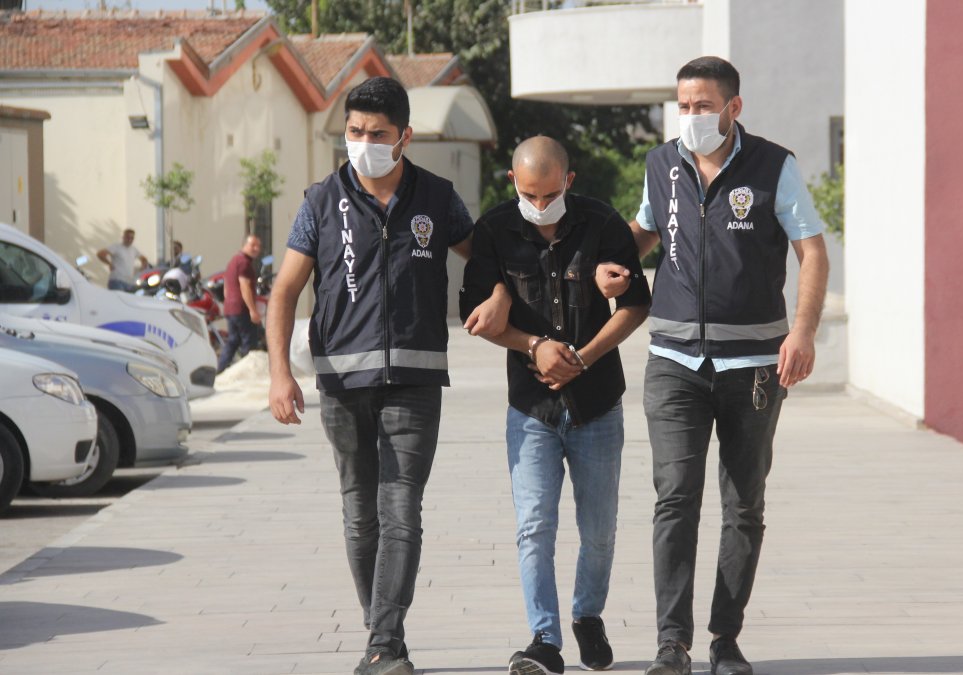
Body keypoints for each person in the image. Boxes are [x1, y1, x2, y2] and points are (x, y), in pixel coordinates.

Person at [265, 76, 509, 675]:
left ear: (405, 137)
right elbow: (284, 291)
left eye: (378, 134)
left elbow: (486, 255)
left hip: (415, 379)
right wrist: (279, 374)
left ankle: (383, 643)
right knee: (360, 513)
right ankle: (383, 638)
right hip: (342, 383)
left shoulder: (438, 198)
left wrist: (500, 293)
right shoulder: (320, 201)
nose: (364, 143)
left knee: (401, 509)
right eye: (355, 132)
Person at [598, 56, 830, 675]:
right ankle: (671, 644)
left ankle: (725, 639)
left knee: (743, 505)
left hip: (754, 367)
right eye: (683, 106)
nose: (691, 116)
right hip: (673, 361)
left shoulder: (773, 167)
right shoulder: (661, 165)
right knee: (675, 498)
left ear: (734, 107)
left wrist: (803, 332)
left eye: (703, 106)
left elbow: (812, 252)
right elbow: (645, 231)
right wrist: (611, 262)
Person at [460, 137, 650, 675]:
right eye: (529, 194)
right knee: (534, 526)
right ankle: (544, 639)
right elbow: (476, 314)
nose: (540, 205)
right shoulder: (495, 230)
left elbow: (636, 304)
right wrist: (533, 345)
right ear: (512, 183)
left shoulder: (602, 222)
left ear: (568, 180)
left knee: (599, 529)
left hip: (598, 404)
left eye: (549, 194)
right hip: (531, 408)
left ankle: (588, 615)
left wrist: (583, 358)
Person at [216, 234, 263, 373]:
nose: (256, 248)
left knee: (233, 341)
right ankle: (247, 374)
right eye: (252, 245)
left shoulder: (234, 260)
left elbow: (226, 287)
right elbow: (245, 286)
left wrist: (229, 302)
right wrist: (252, 310)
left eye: (258, 246)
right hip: (242, 309)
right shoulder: (244, 263)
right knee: (249, 343)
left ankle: (220, 371)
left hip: (230, 308)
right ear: (244, 245)